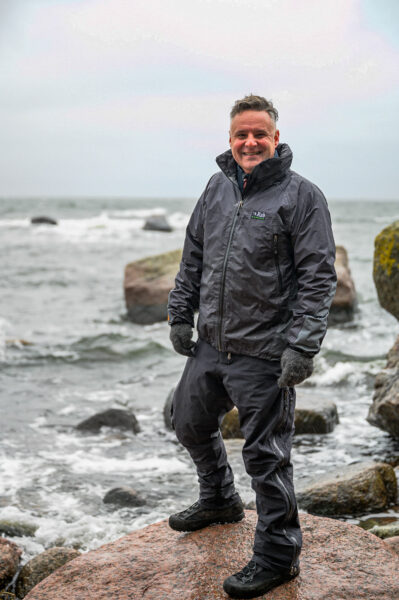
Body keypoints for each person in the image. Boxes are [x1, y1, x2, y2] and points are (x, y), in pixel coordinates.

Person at [167, 94, 336, 599]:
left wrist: (302, 348)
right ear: (230, 139)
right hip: (212, 344)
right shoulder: (216, 189)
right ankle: (218, 497)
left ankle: (279, 557)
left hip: (266, 351)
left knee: (266, 456)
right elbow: (193, 255)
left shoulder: (302, 196)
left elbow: (317, 277)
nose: (250, 141)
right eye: (242, 133)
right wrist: (180, 313)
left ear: (276, 139)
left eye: (260, 133)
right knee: (187, 421)